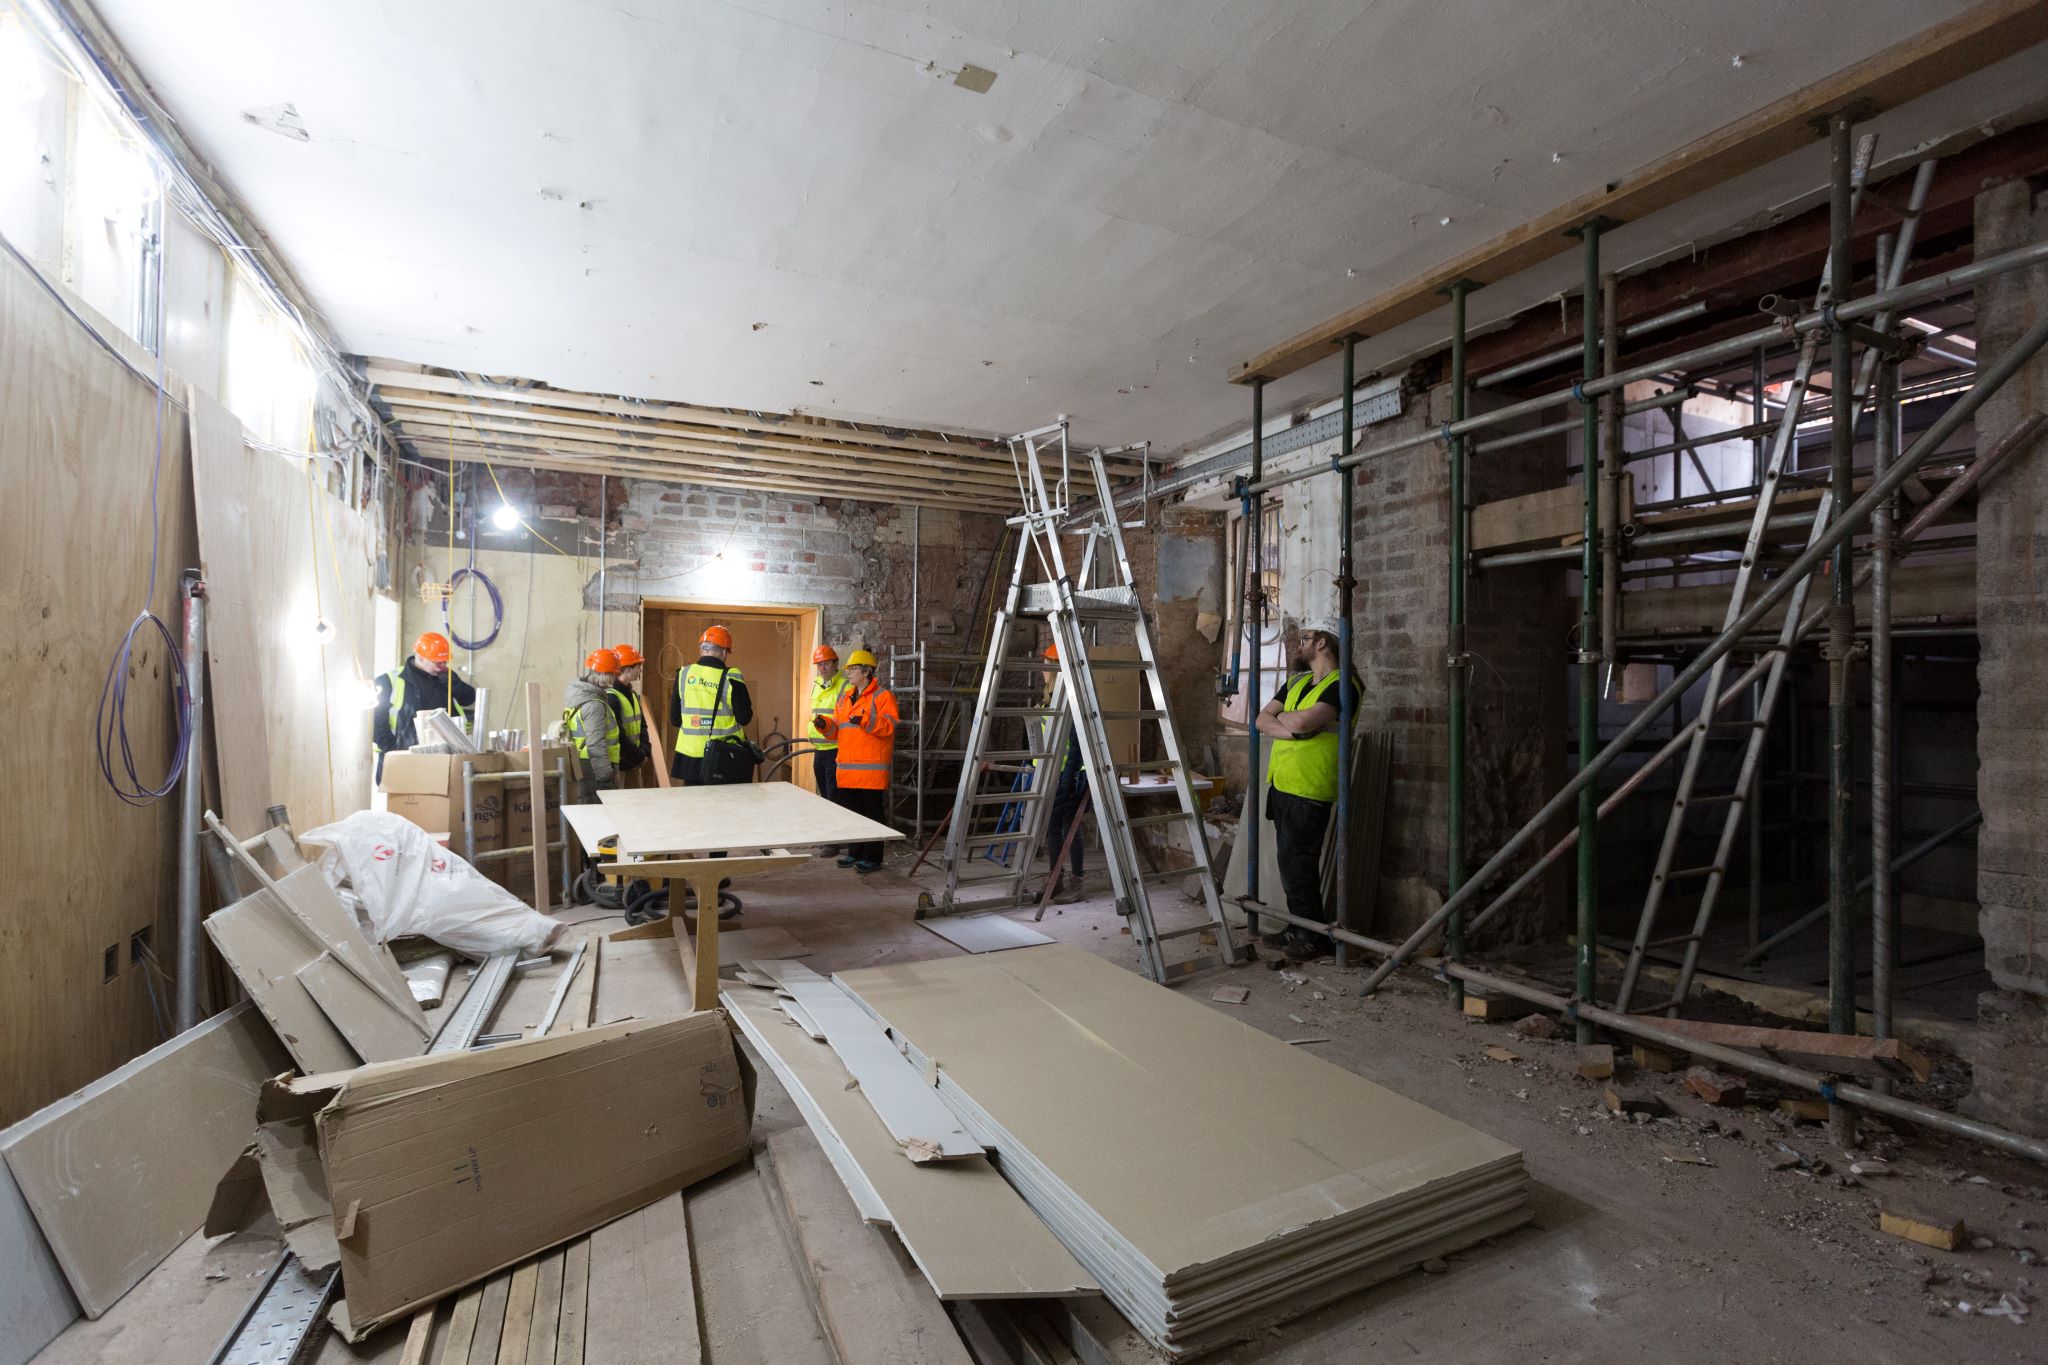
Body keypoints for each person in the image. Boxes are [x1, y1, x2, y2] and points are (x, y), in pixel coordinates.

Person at [1254, 617, 1362, 960]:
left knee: (1298, 862)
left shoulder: (1344, 684)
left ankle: (1314, 936)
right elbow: (1261, 720)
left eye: (1305, 637)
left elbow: (1299, 720)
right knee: (1291, 863)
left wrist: (1289, 722)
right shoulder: (1297, 682)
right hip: (1284, 785)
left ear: (1322, 643)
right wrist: (1295, 728)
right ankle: (1300, 928)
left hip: (1311, 787)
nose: (1298, 643)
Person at [815, 648, 896, 873]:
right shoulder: (846, 697)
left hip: (870, 770)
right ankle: (855, 853)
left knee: (872, 815)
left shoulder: (883, 697)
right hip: (848, 769)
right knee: (853, 814)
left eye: (852, 669)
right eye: (848, 669)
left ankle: (872, 858)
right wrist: (825, 726)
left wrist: (866, 720)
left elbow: (889, 727)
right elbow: (836, 730)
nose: (848, 672)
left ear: (866, 671)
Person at [373, 630, 475, 780]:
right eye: (437, 662)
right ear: (420, 657)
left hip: (443, 761)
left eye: (445, 662)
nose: (442, 666)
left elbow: (469, 698)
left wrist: (453, 682)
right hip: (402, 760)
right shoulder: (388, 681)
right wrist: (391, 749)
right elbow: (376, 722)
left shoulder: (445, 677)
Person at [671, 624, 754, 785]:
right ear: (724, 652)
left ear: (702, 649)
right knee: (723, 808)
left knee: (695, 808)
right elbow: (744, 718)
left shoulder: (683, 674)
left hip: (690, 758)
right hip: (723, 757)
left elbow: (675, 719)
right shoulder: (732, 677)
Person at [1037, 641, 1086, 904]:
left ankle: (1077, 883)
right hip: (1050, 775)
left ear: (1056, 670)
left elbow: (1076, 747)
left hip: (1068, 776)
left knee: (1070, 829)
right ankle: (1055, 879)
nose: (1042, 672)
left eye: (1046, 667)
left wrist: (1068, 780)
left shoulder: (1070, 702)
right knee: (1053, 828)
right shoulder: (1050, 702)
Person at [807, 644, 851, 857]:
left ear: (835, 664)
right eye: (819, 664)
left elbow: (845, 718)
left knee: (835, 796)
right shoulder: (817, 685)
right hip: (819, 748)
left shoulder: (845, 686)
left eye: (825, 663)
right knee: (825, 795)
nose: (822, 668)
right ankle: (830, 837)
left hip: (836, 748)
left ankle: (835, 842)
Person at [563, 649, 622, 805]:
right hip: (594, 769)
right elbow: (596, 744)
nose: (615, 678)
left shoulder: (579, 696)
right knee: (599, 817)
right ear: (604, 674)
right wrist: (605, 777)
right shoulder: (594, 705)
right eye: (613, 674)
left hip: (584, 765)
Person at [606, 643, 648, 787]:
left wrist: (644, 751)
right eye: (638, 667)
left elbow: (642, 725)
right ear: (628, 669)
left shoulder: (632, 694)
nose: (640, 671)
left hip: (633, 763)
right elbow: (618, 735)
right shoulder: (611, 697)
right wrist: (639, 756)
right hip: (619, 765)